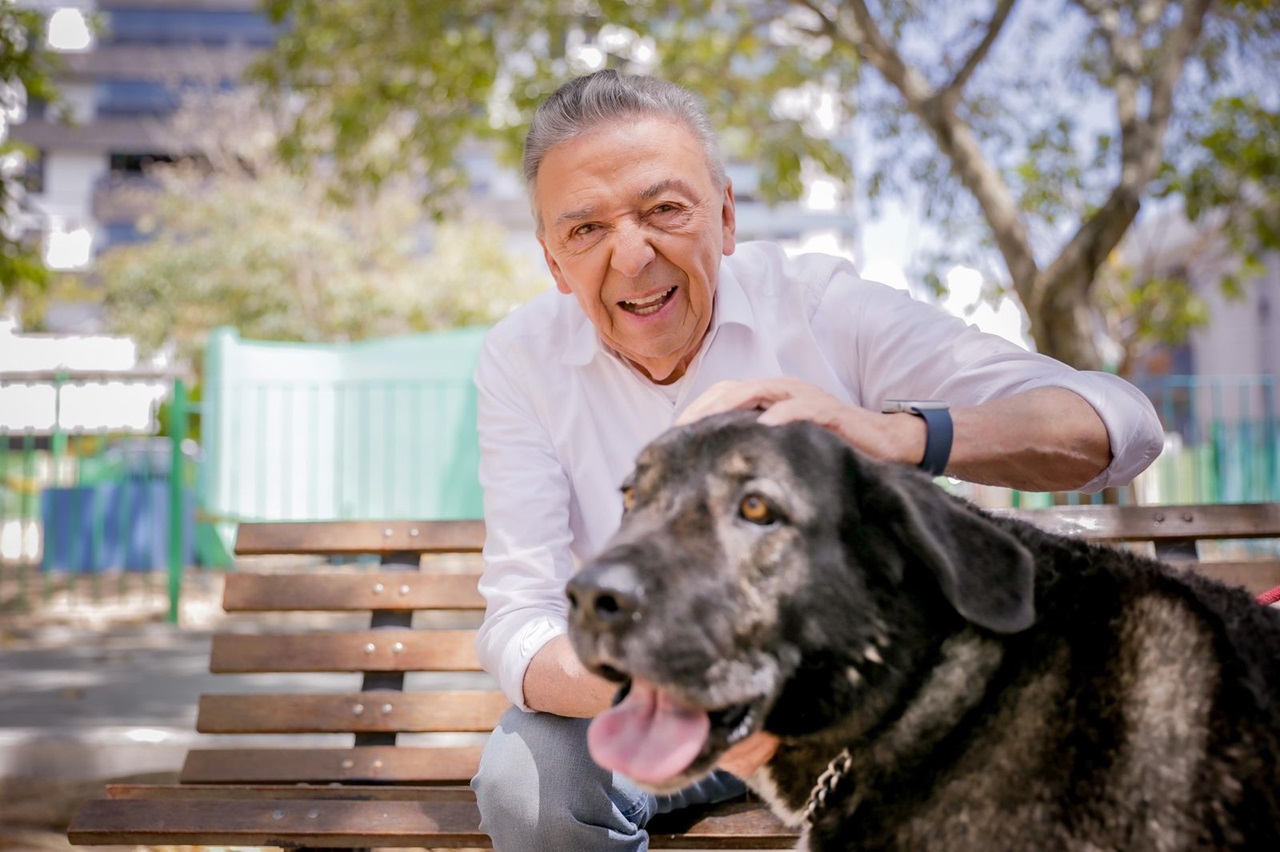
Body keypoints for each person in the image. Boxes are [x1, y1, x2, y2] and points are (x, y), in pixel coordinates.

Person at [468, 69, 1163, 850]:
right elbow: (520, 617)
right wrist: (671, 676)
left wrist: (896, 436)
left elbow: (1121, 424)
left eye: (664, 210)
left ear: (725, 216)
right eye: (585, 229)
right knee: (530, 781)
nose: (631, 257)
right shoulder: (521, 360)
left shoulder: (821, 307)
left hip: (849, 705)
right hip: (650, 703)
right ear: (555, 262)